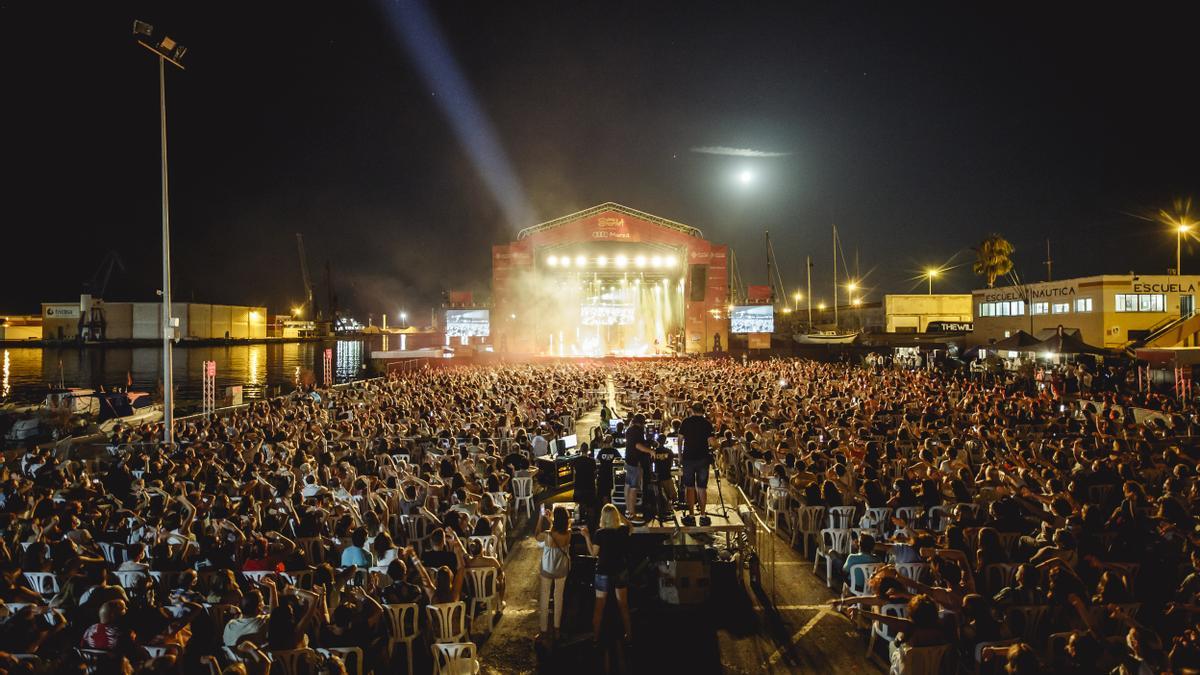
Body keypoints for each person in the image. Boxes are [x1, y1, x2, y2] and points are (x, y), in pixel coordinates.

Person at [588, 504, 632, 644]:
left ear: (603, 518)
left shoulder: (599, 533)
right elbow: (631, 526)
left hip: (603, 571)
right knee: (623, 605)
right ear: (615, 517)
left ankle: (595, 637)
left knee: (599, 606)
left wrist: (586, 537)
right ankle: (629, 634)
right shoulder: (623, 530)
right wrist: (619, 513)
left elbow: (593, 554)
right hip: (620, 570)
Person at [535, 505, 571, 643]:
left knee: (544, 599)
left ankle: (543, 631)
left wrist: (541, 518)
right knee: (559, 598)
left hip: (547, 569)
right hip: (561, 570)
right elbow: (559, 530)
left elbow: (536, 536)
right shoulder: (568, 534)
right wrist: (551, 521)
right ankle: (557, 629)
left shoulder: (548, 535)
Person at [679, 402, 715, 526]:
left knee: (689, 487)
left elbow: (680, 439)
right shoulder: (707, 424)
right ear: (703, 410)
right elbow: (711, 442)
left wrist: (680, 455)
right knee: (702, 488)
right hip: (703, 459)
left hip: (688, 458)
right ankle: (703, 515)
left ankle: (691, 515)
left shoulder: (686, 422)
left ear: (692, 410)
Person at [624, 414, 653, 522]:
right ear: (641, 422)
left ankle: (628, 510)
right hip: (635, 462)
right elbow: (637, 445)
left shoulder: (629, 429)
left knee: (627, 485)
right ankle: (632, 514)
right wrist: (650, 451)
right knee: (633, 487)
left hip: (628, 460)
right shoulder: (638, 430)